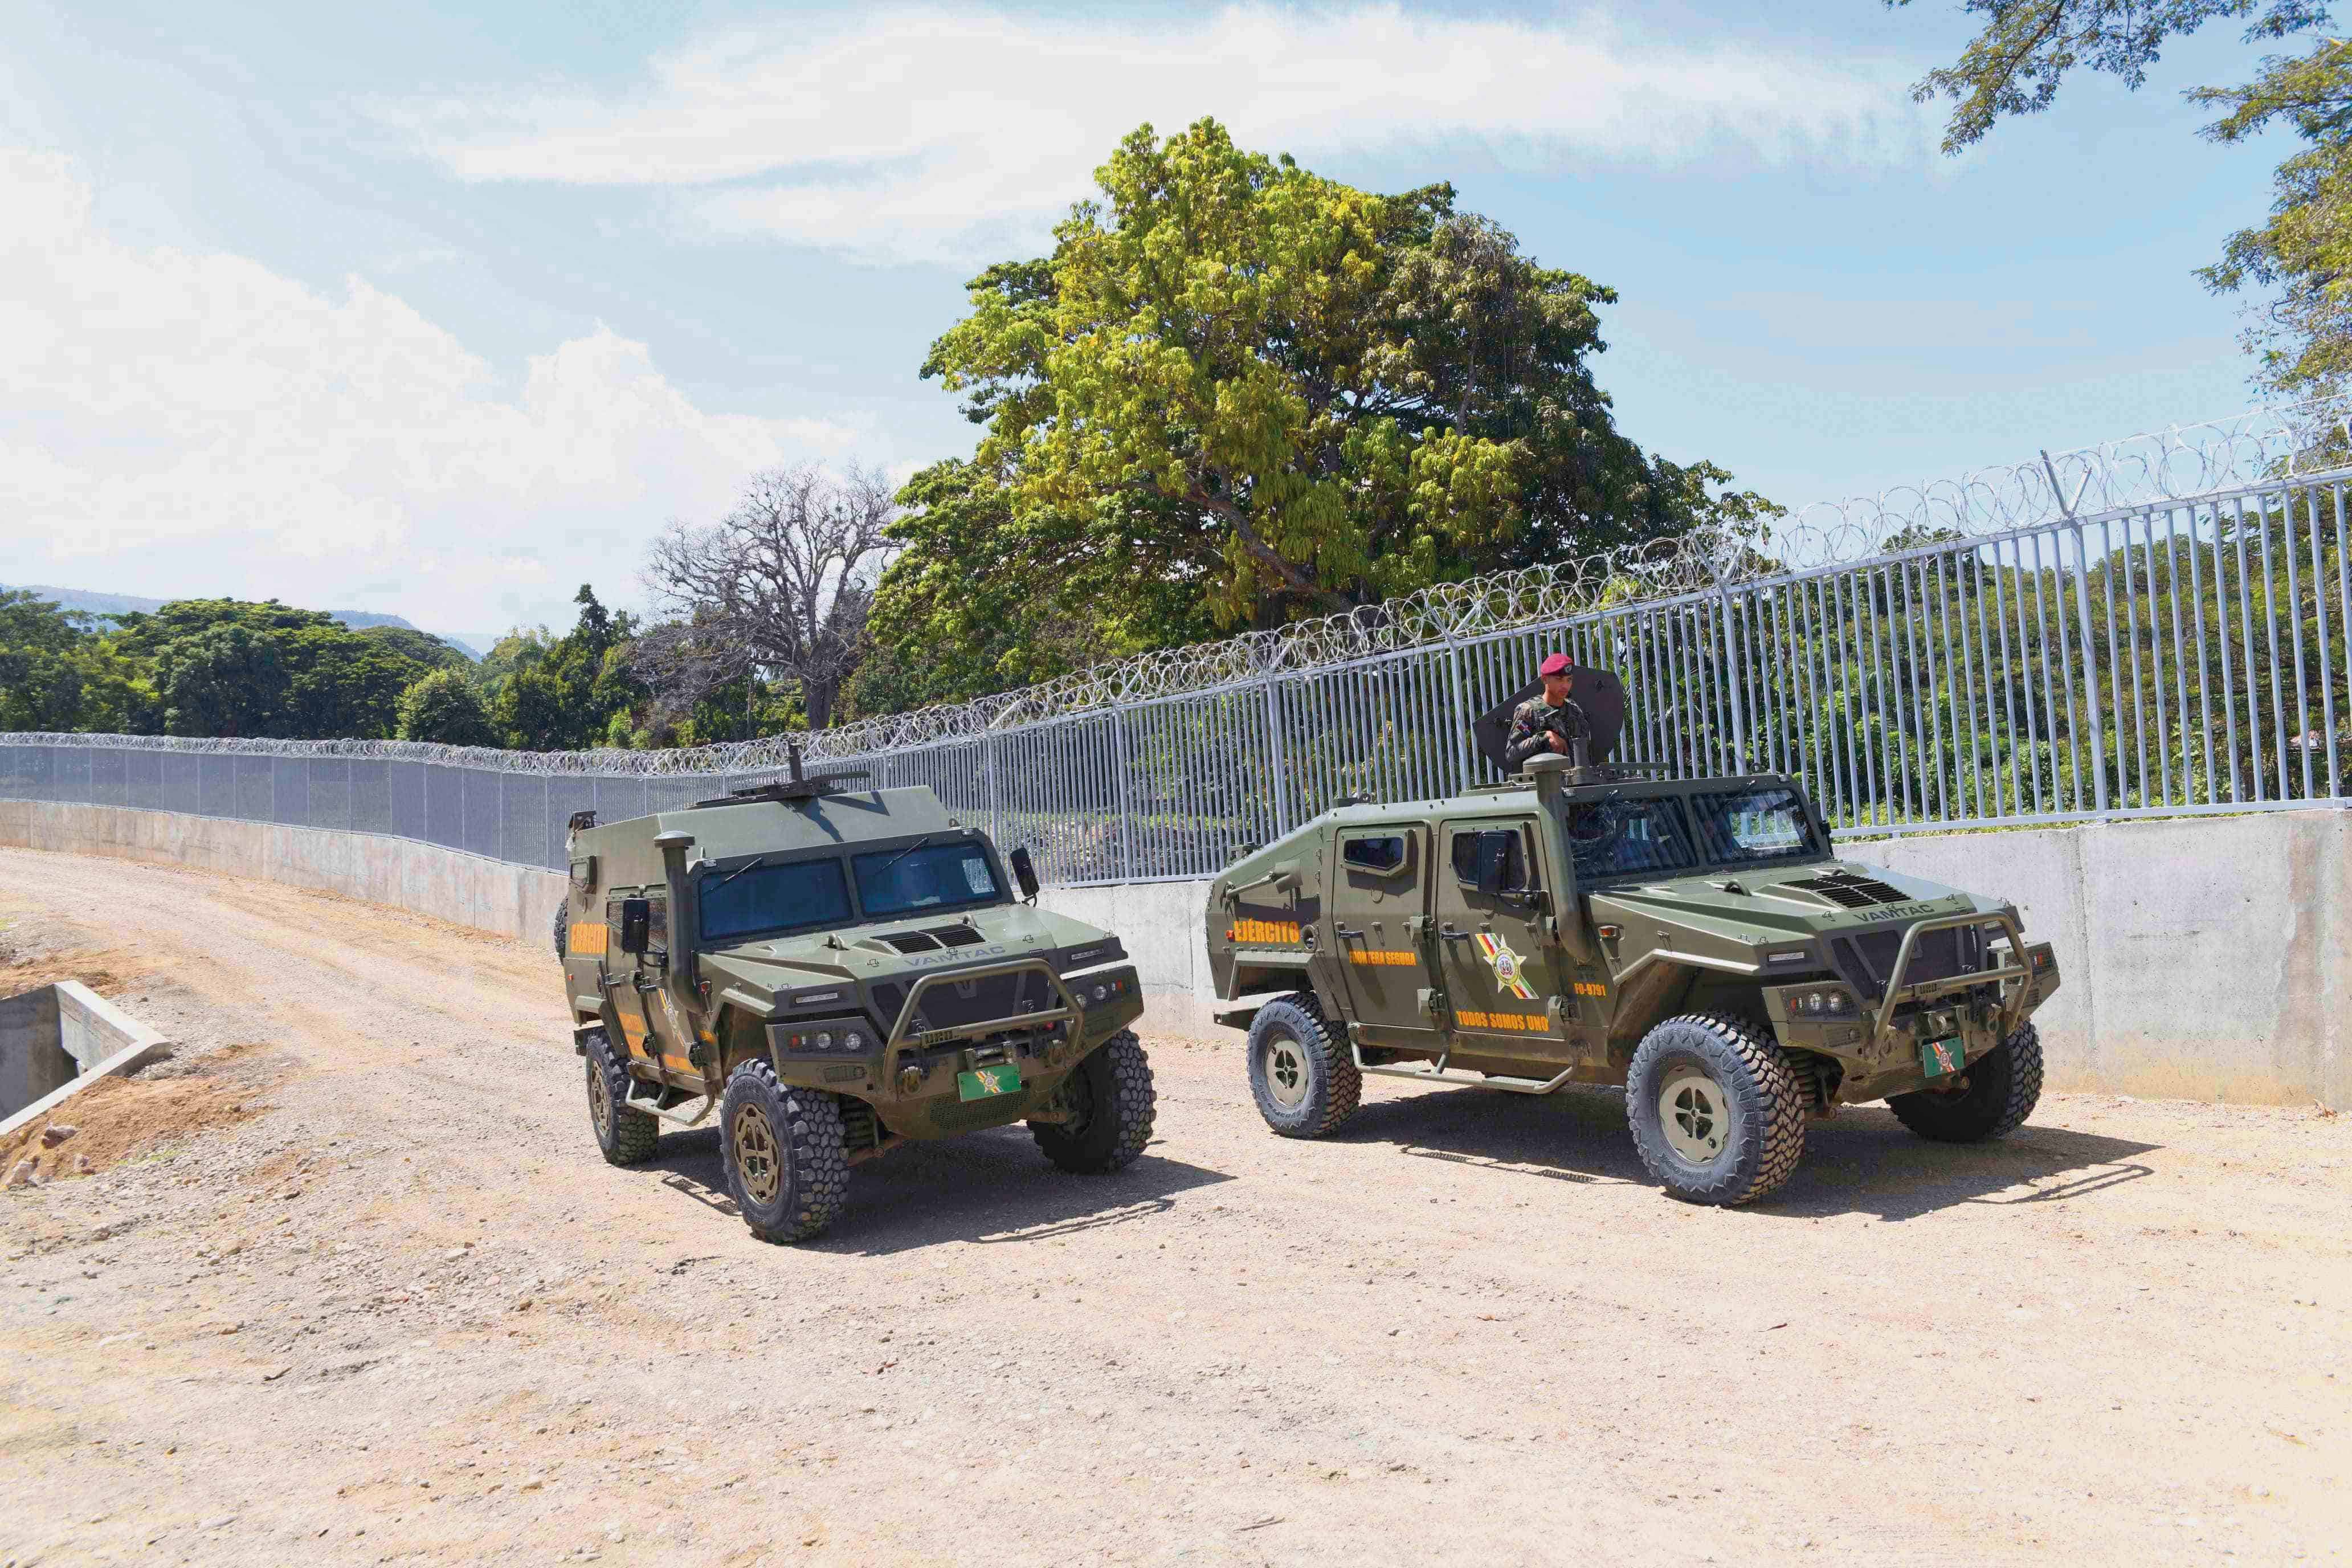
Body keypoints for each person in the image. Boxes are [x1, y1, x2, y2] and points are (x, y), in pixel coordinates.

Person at [1502, 652, 1586, 771]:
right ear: (1545, 679)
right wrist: (1544, 737)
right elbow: (1511, 753)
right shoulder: (1528, 711)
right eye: (1559, 679)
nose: (1565, 685)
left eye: (1569, 680)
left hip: (1575, 781)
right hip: (1543, 784)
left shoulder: (1574, 709)